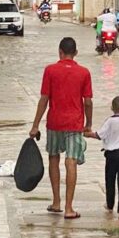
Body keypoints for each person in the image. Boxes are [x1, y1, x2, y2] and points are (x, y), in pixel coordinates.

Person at [29, 37, 93, 220]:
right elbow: (88, 102)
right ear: (76, 53)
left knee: (54, 158)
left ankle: (56, 202)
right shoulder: (84, 73)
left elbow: (44, 99)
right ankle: (69, 208)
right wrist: (88, 124)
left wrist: (35, 125)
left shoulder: (50, 70)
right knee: (71, 162)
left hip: (54, 122)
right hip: (75, 123)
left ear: (60, 52)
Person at [84, 96, 119, 220]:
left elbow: (100, 135)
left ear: (112, 108)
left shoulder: (110, 121)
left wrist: (88, 134)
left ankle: (110, 205)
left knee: (110, 180)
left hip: (111, 155)